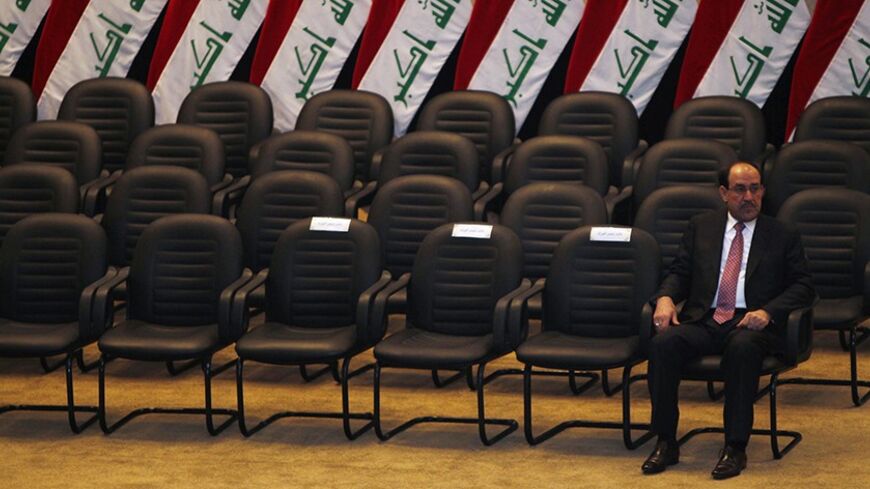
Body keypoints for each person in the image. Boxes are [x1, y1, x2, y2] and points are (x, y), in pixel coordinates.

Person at [641, 162, 814, 479]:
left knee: (742, 348)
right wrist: (664, 298)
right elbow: (680, 273)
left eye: (755, 188)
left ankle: (735, 447)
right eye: (740, 189)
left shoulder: (781, 234)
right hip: (706, 318)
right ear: (723, 193)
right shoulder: (701, 226)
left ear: (762, 191)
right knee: (663, 344)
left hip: (752, 322)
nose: (749, 196)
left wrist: (768, 312)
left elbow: (803, 285)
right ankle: (666, 441)